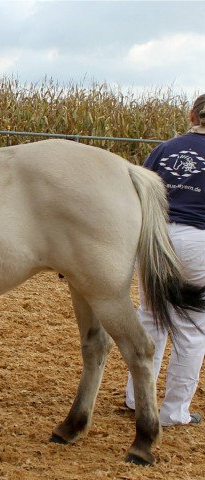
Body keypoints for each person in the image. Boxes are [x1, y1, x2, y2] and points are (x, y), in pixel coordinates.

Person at [125, 93, 205, 426]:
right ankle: (174, 411)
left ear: (192, 114)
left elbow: (135, 193)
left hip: (156, 236)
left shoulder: (164, 149)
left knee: (151, 317)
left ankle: (136, 399)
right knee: (191, 327)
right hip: (198, 239)